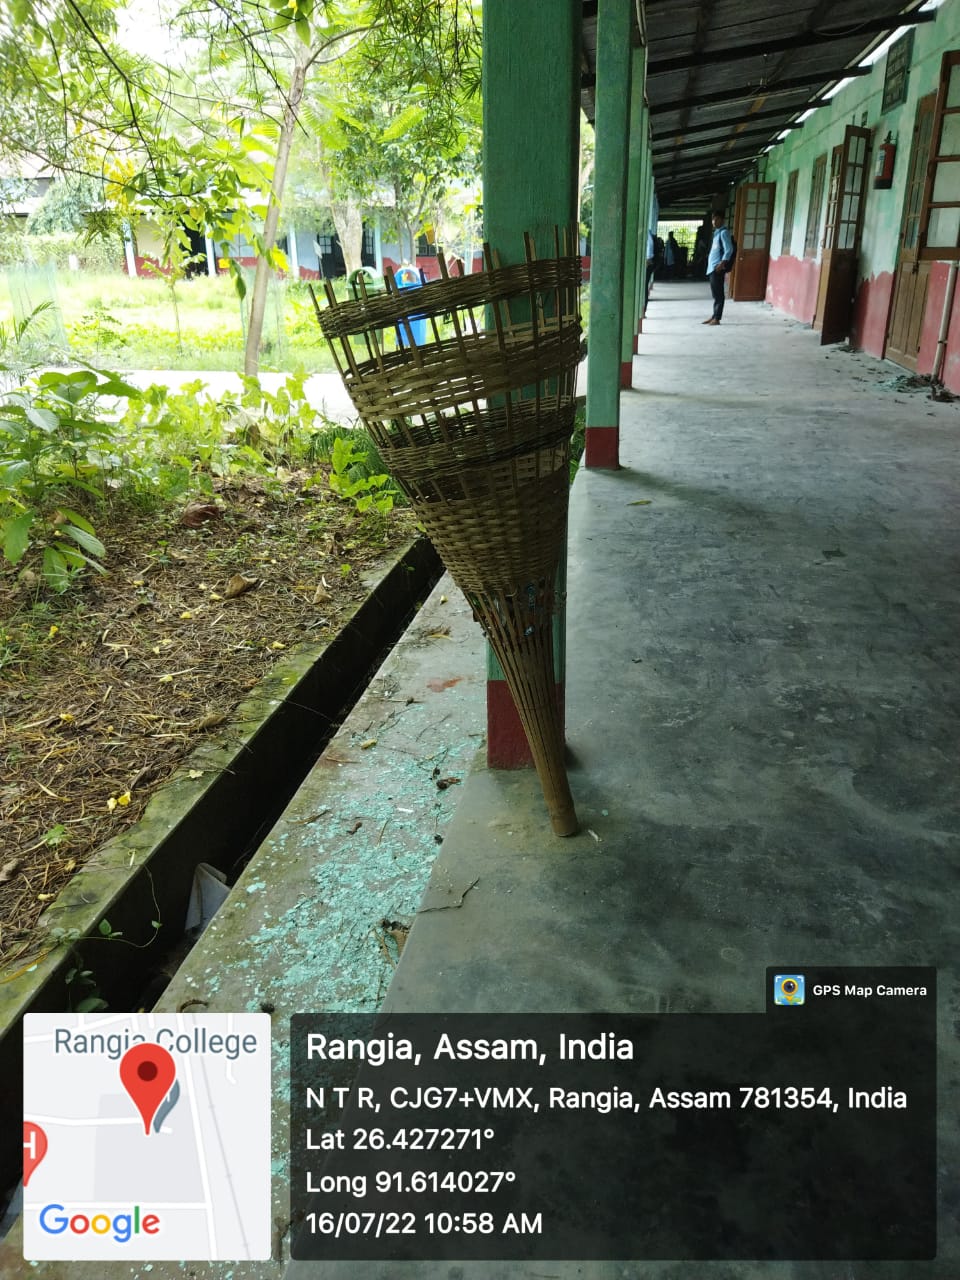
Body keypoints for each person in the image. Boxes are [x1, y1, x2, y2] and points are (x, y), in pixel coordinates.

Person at [704, 211, 734, 326]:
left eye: (716, 219)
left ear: (722, 220)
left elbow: (729, 249)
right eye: (713, 219)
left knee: (719, 294)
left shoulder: (724, 233)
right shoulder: (716, 233)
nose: (714, 222)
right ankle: (714, 316)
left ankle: (717, 318)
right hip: (712, 268)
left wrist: (722, 263)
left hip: (717, 268)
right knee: (715, 294)